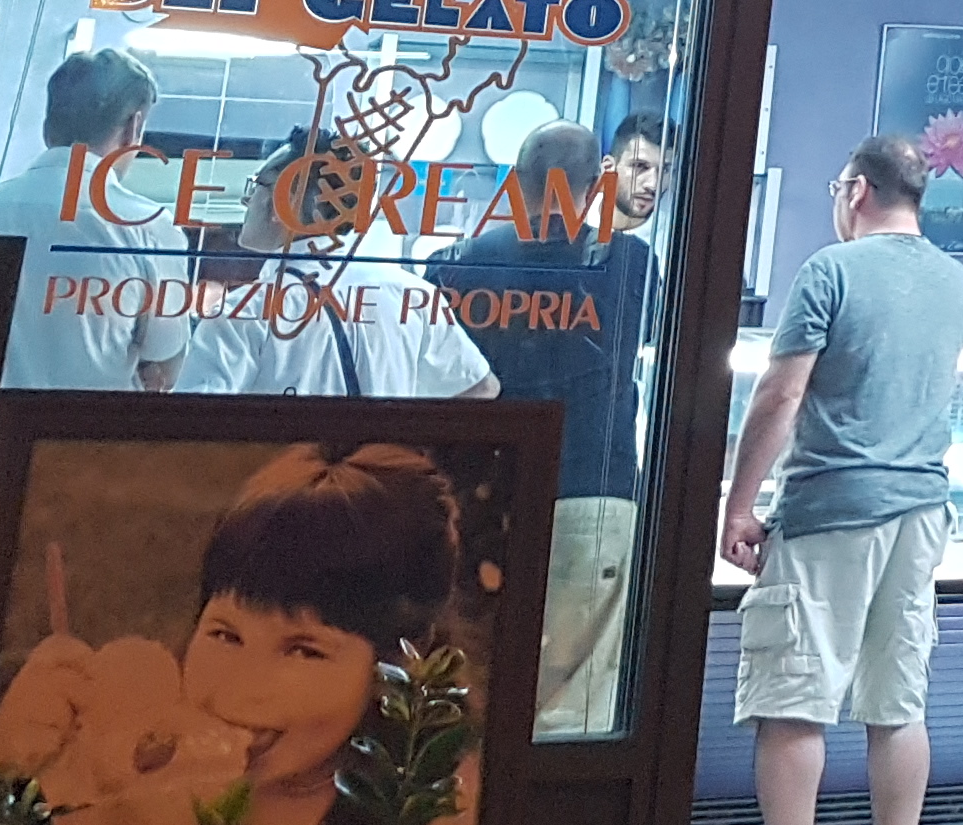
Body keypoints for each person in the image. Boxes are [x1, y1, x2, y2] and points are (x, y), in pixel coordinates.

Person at [0, 440, 475, 825]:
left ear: (397, 664)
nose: (239, 685)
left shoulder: (441, 812)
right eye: (226, 634)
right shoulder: (140, 772)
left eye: (303, 650)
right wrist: (11, 784)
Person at [718, 135, 963, 825]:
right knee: (898, 707)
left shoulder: (831, 268)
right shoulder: (956, 281)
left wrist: (738, 506)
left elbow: (780, 394)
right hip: (921, 514)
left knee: (793, 706)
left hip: (830, 509)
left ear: (857, 190)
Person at [431, 122, 654, 735]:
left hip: (482, 491)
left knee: (470, 675)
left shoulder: (458, 263)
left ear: (515, 180)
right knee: (574, 701)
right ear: (595, 185)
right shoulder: (632, 263)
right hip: (593, 485)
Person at [185, 132, 499, 402]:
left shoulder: (242, 314)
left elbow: (191, 426)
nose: (246, 201)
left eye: (256, 186)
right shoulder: (414, 296)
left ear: (284, 202)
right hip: (380, 457)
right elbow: (481, 389)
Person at [0, 46, 190, 392]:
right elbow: (164, 362)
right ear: (134, 128)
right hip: (80, 427)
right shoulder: (148, 228)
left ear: (47, 128)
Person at [606, 112, 677, 249]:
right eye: (639, 166)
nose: (653, 184)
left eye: (665, 170)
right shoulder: (576, 216)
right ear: (609, 167)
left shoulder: (675, 242)